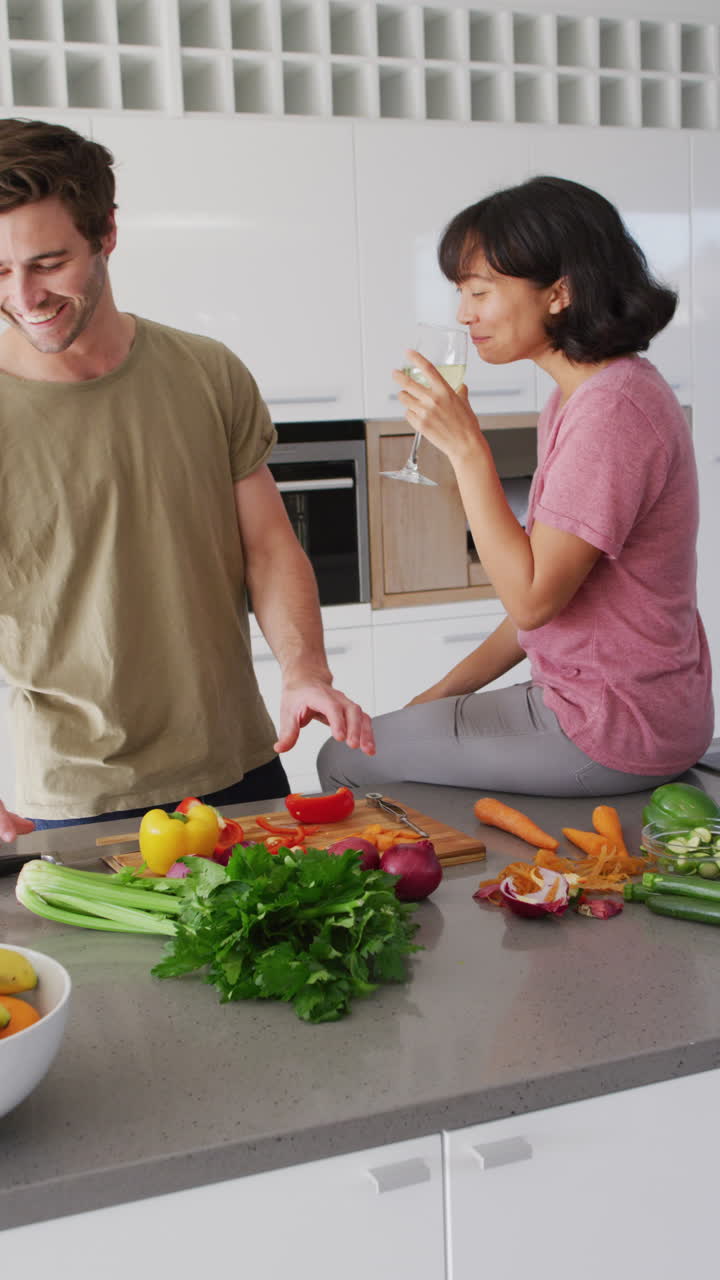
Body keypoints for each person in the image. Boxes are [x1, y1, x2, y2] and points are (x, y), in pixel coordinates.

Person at [0, 117, 374, 840]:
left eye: (48, 263)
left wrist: (305, 671)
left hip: (242, 766)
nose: (25, 295)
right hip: (78, 794)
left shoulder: (207, 371)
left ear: (107, 233)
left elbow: (269, 548)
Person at [318, 175, 713, 798]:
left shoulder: (612, 411)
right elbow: (544, 612)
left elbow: (531, 601)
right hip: (616, 708)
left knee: (343, 760)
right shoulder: (581, 397)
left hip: (611, 726)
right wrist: (438, 695)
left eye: (480, 290)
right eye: (460, 292)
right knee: (388, 742)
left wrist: (467, 448)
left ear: (560, 292)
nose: (463, 313)